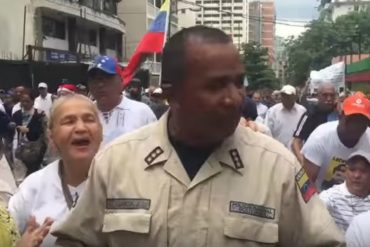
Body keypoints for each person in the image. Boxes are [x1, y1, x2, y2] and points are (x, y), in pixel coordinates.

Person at [53, 26, 344, 247]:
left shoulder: (278, 168)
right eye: (215, 85)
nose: (234, 99)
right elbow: (76, 239)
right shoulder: (116, 162)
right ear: (170, 93)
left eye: (237, 82)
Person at [8, 94, 102, 247]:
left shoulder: (120, 182)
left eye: (89, 119)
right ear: (51, 136)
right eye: (69, 121)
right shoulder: (32, 187)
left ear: (101, 132)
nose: (80, 128)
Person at [302, 93, 370, 191]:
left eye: (361, 121)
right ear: (340, 116)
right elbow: (303, 183)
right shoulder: (320, 137)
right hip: (321, 199)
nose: (355, 125)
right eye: (351, 120)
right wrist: (315, 205)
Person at [87, 55, 156, 146]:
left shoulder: (141, 112)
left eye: (106, 78)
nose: (100, 84)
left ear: (120, 81)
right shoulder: (85, 114)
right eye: (94, 79)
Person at [319, 151, 370, 231]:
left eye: (363, 171)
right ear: (346, 172)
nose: (357, 175)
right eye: (352, 170)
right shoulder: (330, 197)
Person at [292, 83, 338, 163]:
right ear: (318, 96)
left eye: (332, 95)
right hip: (312, 161)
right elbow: (296, 142)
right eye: (325, 95)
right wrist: (303, 164)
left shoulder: (339, 114)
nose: (329, 98)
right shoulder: (309, 115)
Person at [10, 89, 47, 175]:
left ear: (33, 101)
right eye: (23, 101)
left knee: (35, 171)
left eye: (27, 101)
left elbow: (42, 130)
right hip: (21, 148)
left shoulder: (39, 114)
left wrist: (29, 130)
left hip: (36, 148)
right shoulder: (17, 114)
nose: (25, 104)